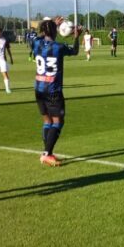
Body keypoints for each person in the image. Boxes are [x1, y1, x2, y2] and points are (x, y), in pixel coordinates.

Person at [32, 17, 81, 166]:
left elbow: (38, 35)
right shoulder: (58, 47)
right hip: (53, 90)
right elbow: (75, 51)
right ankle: (47, 154)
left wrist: (51, 24)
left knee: (47, 121)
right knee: (58, 122)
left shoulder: (36, 43)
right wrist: (76, 37)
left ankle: (48, 152)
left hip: (39, 89)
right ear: (55, 31)